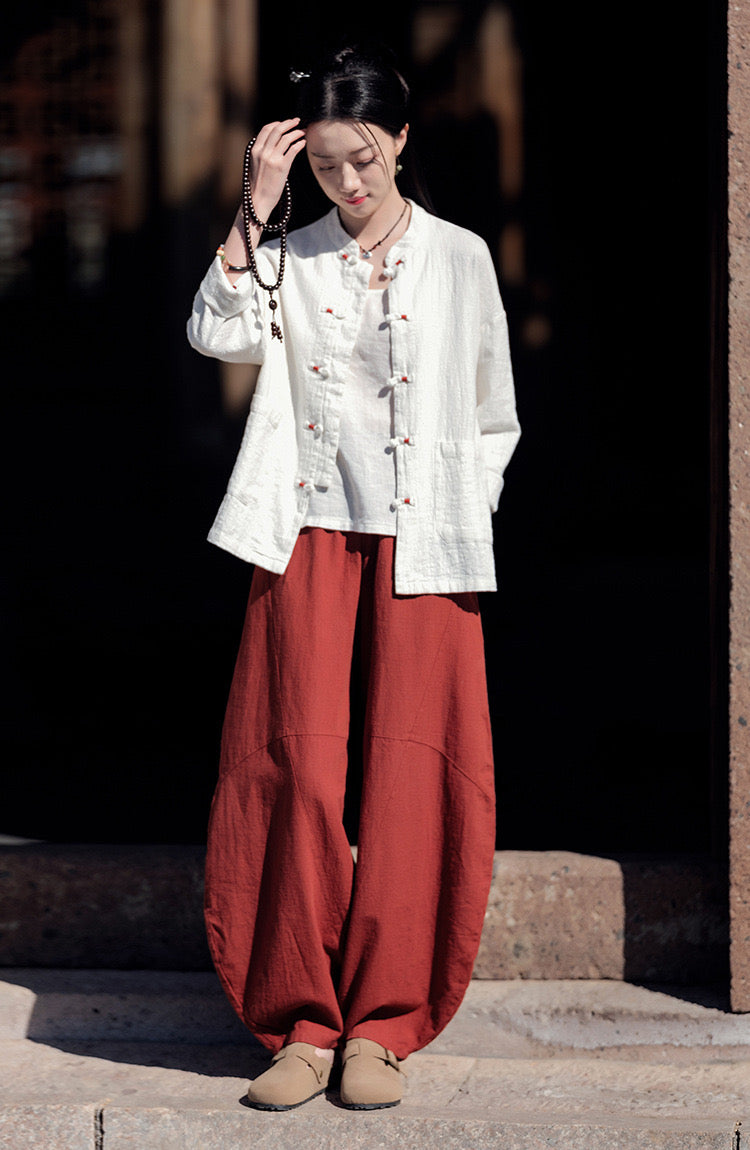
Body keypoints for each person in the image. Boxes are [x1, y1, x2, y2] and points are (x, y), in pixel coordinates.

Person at [187, 42, 520, 1112]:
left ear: (403, 141)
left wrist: (463, 506)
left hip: (425, 545)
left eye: (365, 159)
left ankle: (382, 1024)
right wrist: (257, 205)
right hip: (306, 534)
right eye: (327, 165)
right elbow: (214, 331)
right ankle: (301, 1019)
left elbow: (494, 411)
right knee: (298, 769)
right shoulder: (291, 254)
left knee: (414, 775)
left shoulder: (460, 256)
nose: (349, 182)